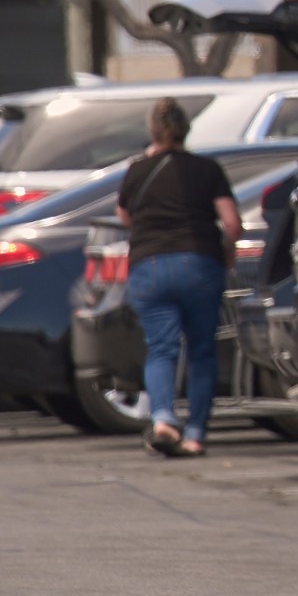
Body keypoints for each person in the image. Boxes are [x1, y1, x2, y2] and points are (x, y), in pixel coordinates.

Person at [117, 99, 242, 459]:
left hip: (148, 266)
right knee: (201, 351)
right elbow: (231, 222)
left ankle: (162, 419)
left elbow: (125, 217)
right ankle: (195, 435)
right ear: (186, 130)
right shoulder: (207, 169)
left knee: (161, 349)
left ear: (152, 131)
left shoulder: (137, 170)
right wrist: (227, 250)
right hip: (199, 263)